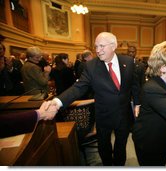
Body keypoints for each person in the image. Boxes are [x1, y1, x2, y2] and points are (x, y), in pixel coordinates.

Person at [43, 32, 140, 166]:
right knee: (104, 147)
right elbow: (78, 87)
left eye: (101, 46)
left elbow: (134, 84)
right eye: (96, 46)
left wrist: (137, 104)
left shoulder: (128, 62)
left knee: (121, 145)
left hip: (123, 114)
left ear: (114, 46)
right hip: (103, 115)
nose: (98, 50)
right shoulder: (91, 66)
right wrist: (57, 102)